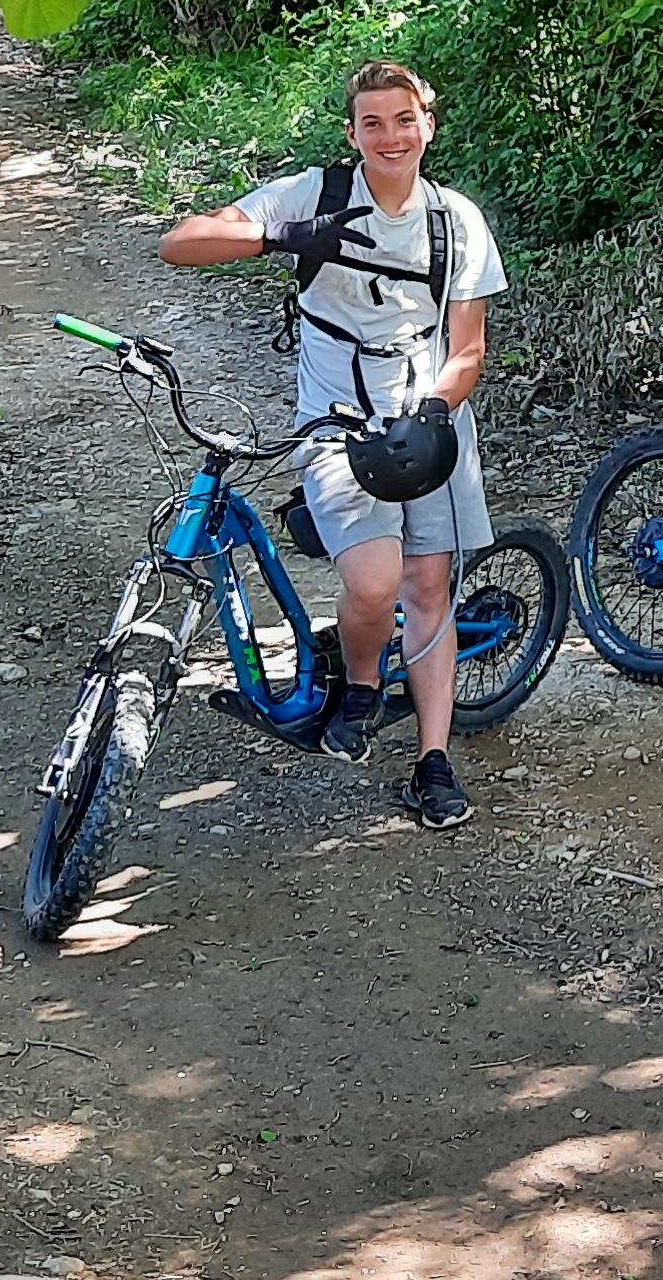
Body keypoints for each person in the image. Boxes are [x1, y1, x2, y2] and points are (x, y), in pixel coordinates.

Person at [157, 61, 507, 830]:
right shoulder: (314, 194)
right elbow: (179, 244)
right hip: (338, 421)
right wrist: (278, 237)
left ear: (428, 126)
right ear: (352, 133)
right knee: (374, 585)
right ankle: (359, 685)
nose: (391, 137)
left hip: (430, 421)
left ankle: (433, 760)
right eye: (373, 123)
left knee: (427, 589)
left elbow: (468, 348)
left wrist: (434, 410)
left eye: (404, 120)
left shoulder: (456, 221)